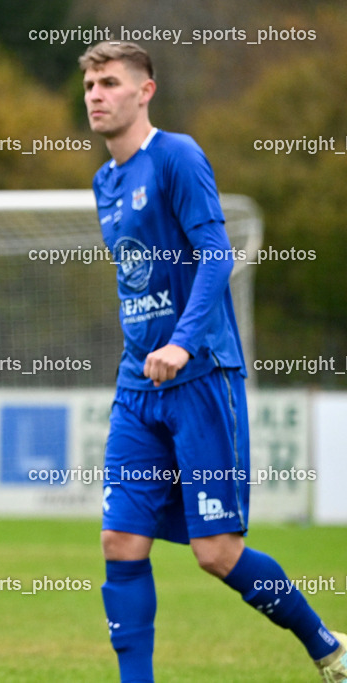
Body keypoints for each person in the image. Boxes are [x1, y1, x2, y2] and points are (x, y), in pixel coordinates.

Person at [80, 41, 346, 682]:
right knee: (120, 541)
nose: (95, 94)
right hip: (138, 385)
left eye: (110, 82)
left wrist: (184, 342)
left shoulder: (177, 156)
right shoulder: (105, 181)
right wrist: (146, 349)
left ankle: (328, 648)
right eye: (88, 83)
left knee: (217, 553)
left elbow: (215, 254)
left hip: (200, 378)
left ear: (145, 91)